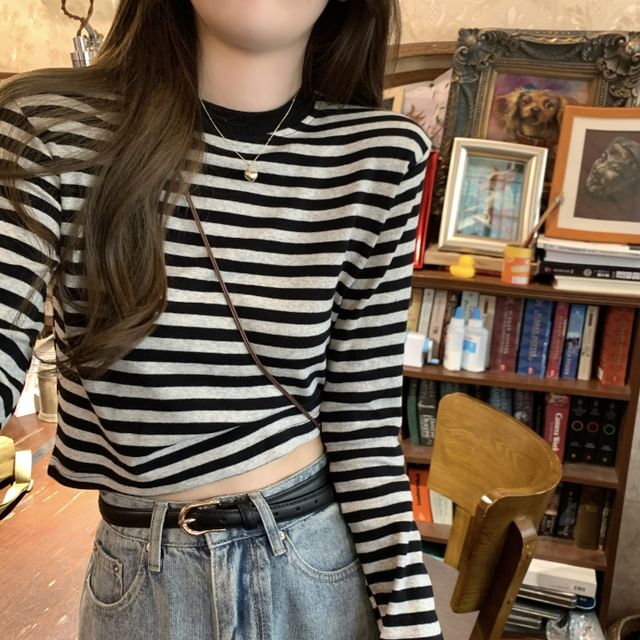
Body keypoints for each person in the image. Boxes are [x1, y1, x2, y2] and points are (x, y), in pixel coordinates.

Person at [0, 1, 442, 638]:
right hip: (144, 581)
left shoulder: (381, 155)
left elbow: (363, 425)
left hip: (316, 569)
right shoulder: (47, 126)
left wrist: (413, 624)